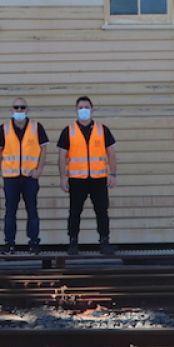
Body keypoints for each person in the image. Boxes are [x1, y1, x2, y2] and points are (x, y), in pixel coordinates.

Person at [58, 95, 116, 255]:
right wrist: (63, 177)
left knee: (102, 211)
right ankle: (73, 243)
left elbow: (111, 152)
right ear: (76, 110)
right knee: (75, 212)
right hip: (77, 180)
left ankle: (104, 242)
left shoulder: (102, 129)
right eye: (80, 107)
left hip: (99, 179)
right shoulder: (68, 131)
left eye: (87, 107)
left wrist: (113, 173)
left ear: (92, 109)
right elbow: (62, 155)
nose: (84, 110)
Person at [0, 96, 47, 254]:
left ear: (27, 110)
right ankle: (9, 243)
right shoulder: (4, 128)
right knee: (10, 212)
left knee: (32, 211)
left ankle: (34, 243)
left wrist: (39, 170)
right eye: (16, 108)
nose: (19, 110)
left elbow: (43, 149)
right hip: (11, 178)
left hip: (30, 177)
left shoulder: (36, 127)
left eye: (22, 107)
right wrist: (3, 168)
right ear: (11, 110)